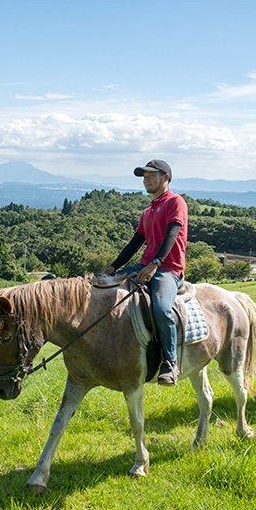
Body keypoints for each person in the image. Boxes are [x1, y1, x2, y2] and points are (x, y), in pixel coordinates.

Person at [104, 159, 188, 385]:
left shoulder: (175, 202)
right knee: (103, 289)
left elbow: (172, 234)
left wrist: (156, 264)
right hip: (144, 265)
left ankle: (171, 363)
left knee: (161, 309)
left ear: (165, 177)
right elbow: (135, 243)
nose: (145, 180)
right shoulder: (148, 211)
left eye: (150, 175)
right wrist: (114, 267)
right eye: (144, 176)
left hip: (168, 269)